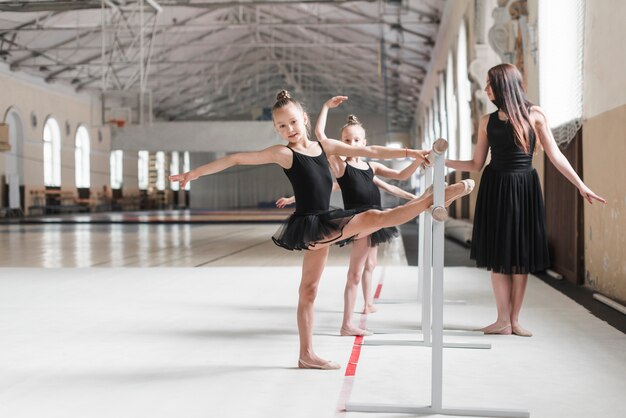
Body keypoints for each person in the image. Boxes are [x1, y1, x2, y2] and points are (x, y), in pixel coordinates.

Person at [170, 90, 474, 370]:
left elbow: (373, 152)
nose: (289, 129)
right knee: (375, 218)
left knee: (309, 289)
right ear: (276, 129)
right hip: (309, 223)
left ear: (304, 119)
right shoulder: (283, 153)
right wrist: (193, 174)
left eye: (292, 122)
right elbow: (236, 158)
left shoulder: (325, 147)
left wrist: (412, 152)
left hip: (325, 220)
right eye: (281, 126)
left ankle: (305, 354)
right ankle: (431, 199)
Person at [445, 63, 606, 337]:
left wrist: (581, 185)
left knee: (519, 256)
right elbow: (475, 163)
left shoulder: (535, 115)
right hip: (495, 186)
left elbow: (556, 155)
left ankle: (515, 320)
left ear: (504, 85)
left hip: (523, 187)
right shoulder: (487, 121)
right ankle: (501, 320)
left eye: (489, 84)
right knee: (498, 257)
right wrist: (440, 160)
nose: (485, 89)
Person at [277, 106, 422, 336]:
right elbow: (321, 139)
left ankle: (366, 304)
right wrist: (324, 107)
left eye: (356, 139)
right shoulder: (340, 165)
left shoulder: (370, 166)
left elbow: (400, 177)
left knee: (370, 266)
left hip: (375, 220)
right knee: (355, 273)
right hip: (357, 222)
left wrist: (418, 160)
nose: (352, 143)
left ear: (364, 141)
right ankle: (347, 322)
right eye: (347, 139)